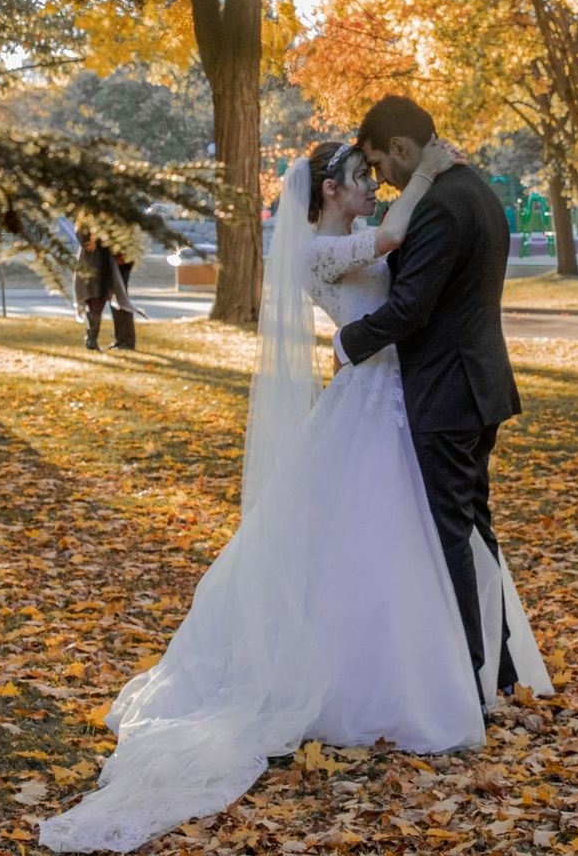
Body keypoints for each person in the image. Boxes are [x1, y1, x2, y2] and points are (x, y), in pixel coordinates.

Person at [40, 133, 550, 853]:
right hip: (373, 400)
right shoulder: (322, 251)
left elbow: (402, 261)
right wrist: (431, 169)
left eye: (372, 174)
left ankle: (453, 662)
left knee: (406, 540)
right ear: (330, 194)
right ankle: (410, 676)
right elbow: (396, 234)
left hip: (400, 399)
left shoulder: (357, 238)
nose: (370, 183)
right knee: (377, 538)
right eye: (357, 177)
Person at [336, 95, 529, 700]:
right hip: (478, 386)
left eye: (377, 163)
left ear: (400, 148)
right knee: (473, 531)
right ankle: (495, 669)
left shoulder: (440, 207)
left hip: (448, 392)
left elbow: (411, 308)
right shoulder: (472, 188)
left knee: (450, 538)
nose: (379, 179)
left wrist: (348, 342)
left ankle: (465, 683)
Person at [74, 229, 130, 352]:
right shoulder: (86, 222)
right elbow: (84, 238)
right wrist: (94, 239)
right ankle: (91, 339)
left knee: (98, 300)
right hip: (94, 263)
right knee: (94, 299)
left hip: (103, 263)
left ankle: (92, 339)